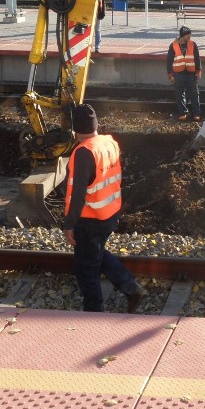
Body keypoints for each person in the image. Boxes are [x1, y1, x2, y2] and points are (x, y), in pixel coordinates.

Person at [63, 103, 145, 313]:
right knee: (95, 254)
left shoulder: (83, 152)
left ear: (75, 128)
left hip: (90, 218)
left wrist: (69, 224)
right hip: (109, 213)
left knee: (86, 269)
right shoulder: (109, 143)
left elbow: (79, 194)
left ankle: (94, 312)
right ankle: (130, 287)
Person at [167, 26, 202, 121]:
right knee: (179, 94)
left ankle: (196, 113)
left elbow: (197, 58)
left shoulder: (193, 44)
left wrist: (198, 71)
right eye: (188, 35)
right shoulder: (173, 45)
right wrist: (170, 74)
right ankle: (183, 113)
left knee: (194, 94)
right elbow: (169, 60)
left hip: (191, 73)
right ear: (182, 36)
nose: (190, 37)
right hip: (178, 74)